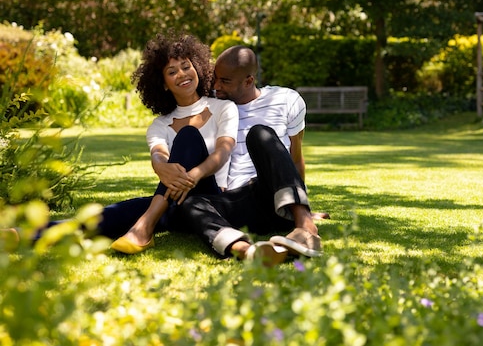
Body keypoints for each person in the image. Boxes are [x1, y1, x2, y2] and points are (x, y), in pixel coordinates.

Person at [170, 45, 322, 263]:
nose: (216, 86)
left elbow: (295, 158)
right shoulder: (214, 106)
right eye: (216, 79)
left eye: (225, 81)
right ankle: (246, 250)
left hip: (273, 197)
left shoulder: (287, 100)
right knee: (191, 204)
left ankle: (306, 228)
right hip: (238, 203)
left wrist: (301, 207)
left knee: (260, 134)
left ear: (249, 81)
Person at [107, 31, 239, 254]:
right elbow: (159, 154)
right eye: (172, 71)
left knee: (188, 136)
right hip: (174, 205)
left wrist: (195, 174)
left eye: (186, 66)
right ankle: (33, 233)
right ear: (164, 84)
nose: (182, 74)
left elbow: (223, 152)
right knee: (109, 215)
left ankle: (145, 226)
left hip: (210, 202)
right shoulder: (160, 125)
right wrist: (160, 166)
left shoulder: (223, 108)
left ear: (197, 68)